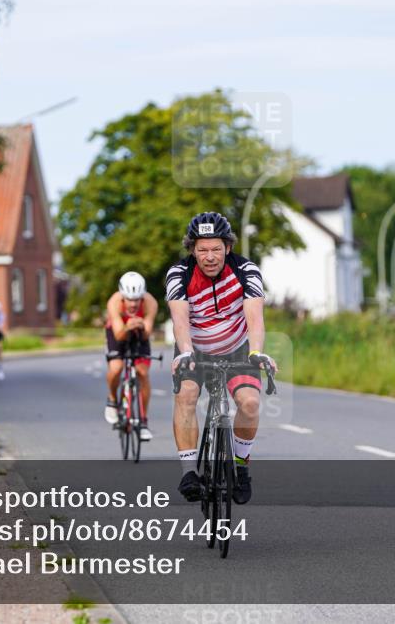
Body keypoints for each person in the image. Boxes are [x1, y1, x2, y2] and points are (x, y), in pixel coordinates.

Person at [166, 212, 277, 505]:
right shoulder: (179, 274)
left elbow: (255, 317)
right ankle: (189, 471)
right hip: (195, 348)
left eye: (216, 248)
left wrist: (256, 352)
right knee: (187, 395)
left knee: (250, 404)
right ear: (192, 250)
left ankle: (241, 468)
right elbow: (180, 320)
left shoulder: (245, 270)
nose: (210, 256)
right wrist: (186, 352)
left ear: (228, 247)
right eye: (202, 250)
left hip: (238, 348)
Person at [104, 271, 159, 440]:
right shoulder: (114, 302)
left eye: (136, 299)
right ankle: (113, 398)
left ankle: (142, 421)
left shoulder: (150, 302)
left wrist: (141, 327)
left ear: (142, 297)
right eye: (129, 299)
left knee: (142, 373)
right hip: (118, 332)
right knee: (116, 367)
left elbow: (146, 334)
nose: (133, 304)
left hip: (139, 332)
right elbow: (119, 335)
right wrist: (128, 327)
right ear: (122, 297)